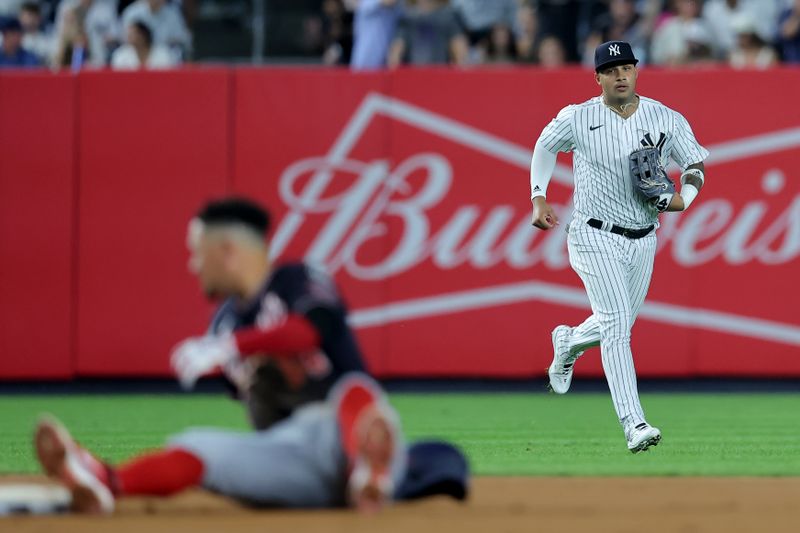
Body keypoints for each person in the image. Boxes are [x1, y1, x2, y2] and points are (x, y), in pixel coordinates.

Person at [529, 41, 708, 453]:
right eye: (611, 70)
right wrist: (538, 195)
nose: (621, 75)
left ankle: (569, 341)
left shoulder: (665, 116)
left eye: (627, 66)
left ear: (637, 70)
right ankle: (634, 423)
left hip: (644, 237)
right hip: (593, 233)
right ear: (598, 78)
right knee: (616, 327)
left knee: (617, 323)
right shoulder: (578, 117)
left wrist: (685, 198)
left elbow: (695, 163)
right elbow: (544, 145)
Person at [33, 373, 470, 514]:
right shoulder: (431, 458)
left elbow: (358, 399)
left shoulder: (407, 451)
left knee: (356, 390)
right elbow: (451, 471)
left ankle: (112, 479)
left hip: (312, 462)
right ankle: (102, 481)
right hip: (307, 469)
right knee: (201, 449)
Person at [169, 197, 370, 431]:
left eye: (200, 253)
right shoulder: (224, 322)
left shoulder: (296, 279)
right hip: (284, 442)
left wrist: (232, 345)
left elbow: (309, 330)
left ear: (229, 251)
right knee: (200, 445)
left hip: (350, 428)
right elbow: (248, 395)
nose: (195, 265)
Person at [110, 19, 176, 69]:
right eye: (128, 35)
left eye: (132, 34)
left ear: (144, 36)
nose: (129, 37)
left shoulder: (162, 54)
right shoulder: (121, 55)